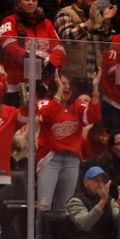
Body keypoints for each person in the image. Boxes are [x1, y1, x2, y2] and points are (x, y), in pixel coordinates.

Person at [35, 70, 102, 211]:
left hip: (72, 160)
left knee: (64, 208)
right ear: (55, 86)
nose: (66, 87)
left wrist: (95, 90)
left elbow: (92, 117)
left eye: (68, 84)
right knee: (44, 205)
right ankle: (39, 233)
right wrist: (58, 94)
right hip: (50, 158)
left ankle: (59, 233)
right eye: (62, 83)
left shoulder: (77, 106)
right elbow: (47, 117)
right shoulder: (44, 103)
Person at [0, 0, 66, 107]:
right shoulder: (10, 21)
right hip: (16, 86)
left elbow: (59, 48)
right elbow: (9, 45)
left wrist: (52, 65)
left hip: (42, 84)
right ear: (19, 2)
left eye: (34, 0)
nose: (30, 3)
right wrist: (28, 57)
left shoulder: (46, 23)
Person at [63, 166, 118, 239]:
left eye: (102, 181)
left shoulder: (110, 201)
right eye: (95, 180)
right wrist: (102, 202)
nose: (99, 184)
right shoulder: (75, 201)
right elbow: (84, 224)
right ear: (85, 182)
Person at [54, 0, 117, 86]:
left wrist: (106, 22)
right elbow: (67, 38)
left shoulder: (99, 16)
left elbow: (106, 46)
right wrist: (90, 22)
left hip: (95, 78)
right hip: (71, 78)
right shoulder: (65, 12)